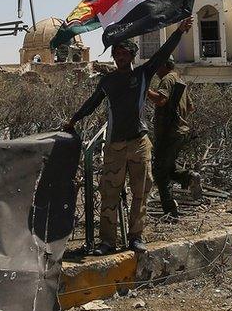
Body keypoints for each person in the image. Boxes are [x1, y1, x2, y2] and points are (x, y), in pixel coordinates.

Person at [62, 17, 193, 255]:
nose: (120, 57)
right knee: (109, 193)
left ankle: (135, 237)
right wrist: (72, 120)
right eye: (117, 53)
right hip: (114, 146)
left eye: (124, 53)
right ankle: (107, 242)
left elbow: (162, 54)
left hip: (139, 144)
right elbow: (92, 103)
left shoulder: (143, 74)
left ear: (132, 56)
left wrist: (179, 31)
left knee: (140, 193)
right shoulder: (108, 81)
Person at [148, 58, 201, 217]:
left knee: (159, 172)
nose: (156, 70)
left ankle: (170, 211)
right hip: (180, 132)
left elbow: (161, 99)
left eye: (157, 66)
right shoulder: (178, 79)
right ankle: (190, 177)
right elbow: (191, 107)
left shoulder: (167, 79)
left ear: (164, 65)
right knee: (168, 167)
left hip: (169, 133)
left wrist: (144, 89)